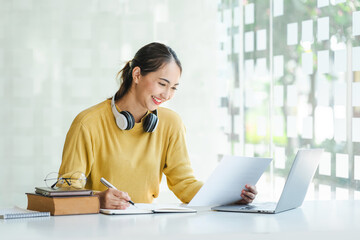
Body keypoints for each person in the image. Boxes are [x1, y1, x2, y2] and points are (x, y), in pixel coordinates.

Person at [58, 42, 258, 209]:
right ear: (137, 75)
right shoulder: (88, 123)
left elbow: (184, 184)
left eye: (173, 88)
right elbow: (67, 191)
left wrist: (229, 196)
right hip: (98, 227)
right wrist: (98, 199)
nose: (167, 95)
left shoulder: (171, 123)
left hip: (146, 226)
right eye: (162, 84)